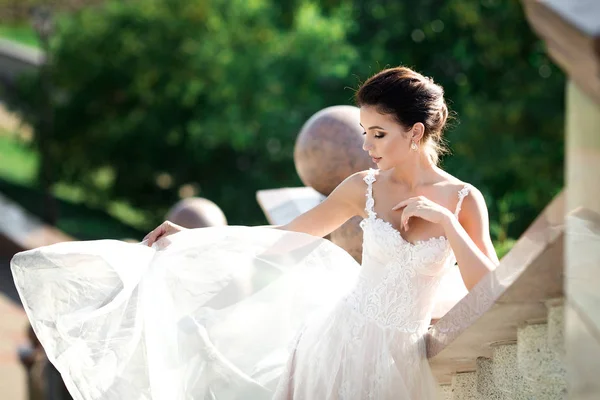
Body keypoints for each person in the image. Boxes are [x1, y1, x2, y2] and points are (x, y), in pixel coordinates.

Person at [12, 66, 499, 400]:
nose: (366, 146)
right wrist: (193, 238)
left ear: (415, 133)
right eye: (364, 132)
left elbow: (491, 288)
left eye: (379, 134)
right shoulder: (362, 188)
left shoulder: (462, 200)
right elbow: (285, 240)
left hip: (401, 358)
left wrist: (452, 228)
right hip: (335, 346)